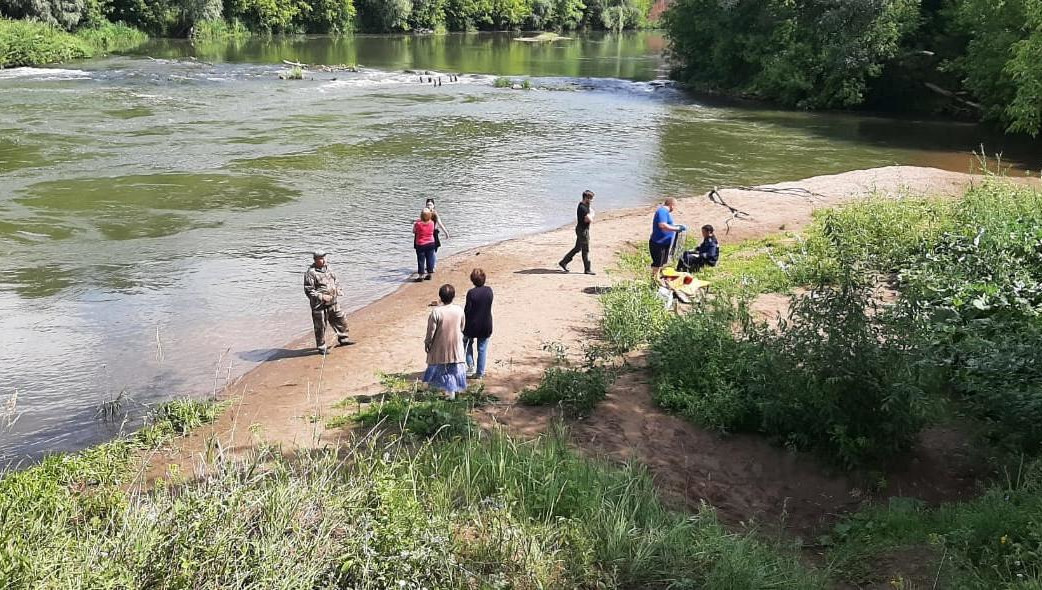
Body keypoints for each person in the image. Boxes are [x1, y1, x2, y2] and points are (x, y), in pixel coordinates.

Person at [303, 250, 355, 355]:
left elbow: (336, 281)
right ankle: (321, 346)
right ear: (316, 260)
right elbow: (309, 291)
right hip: (319, 305)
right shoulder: (311, 273)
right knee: (320, 326)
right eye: (321, 258)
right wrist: (322, 296)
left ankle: (343, 339)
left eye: (324, 257)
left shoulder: (329, 269)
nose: (323, 260)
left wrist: (338, 289)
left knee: (341, 319)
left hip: (333, 301)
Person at [424, 283, 467, 400]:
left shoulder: (436, 312)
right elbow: (462, 327)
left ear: (440, 297)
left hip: (440, 345)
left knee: (437, 367)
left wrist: (427, 343)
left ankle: (434, 389)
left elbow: (430, 331)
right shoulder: (459, 310)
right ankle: (451, 392)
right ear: (453, 296)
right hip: (455, 344)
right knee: (453, 368)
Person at [463, 268, 493, 378]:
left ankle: (470, 365)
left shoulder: (471, 293)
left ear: (472, 280)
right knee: (482, 349)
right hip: (486, 324)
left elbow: (467, 310)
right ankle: (480, 372)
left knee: (466, 343)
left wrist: (463, 324)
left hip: (472, 325)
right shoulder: (489, 290)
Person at [558, 189, 596, 275]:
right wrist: (592, 214)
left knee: (577, 248)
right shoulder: (582, 207)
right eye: (590, 198)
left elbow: (589, 211)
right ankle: (587, 269)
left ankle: (564, 262)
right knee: (585, 250)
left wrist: (591, 212)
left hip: (581, 229)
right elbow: (588, 219)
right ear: (586, 198)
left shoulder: (584, 205)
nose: (592, 200)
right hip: (582, 231)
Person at [650, 197, 686, 281]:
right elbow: (662, 225)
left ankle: (657, 278)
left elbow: (668, 224)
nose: (674, 208)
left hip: (664, 242)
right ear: (671, 205)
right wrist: (676, 229)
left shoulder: (666, 213)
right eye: (675, 206)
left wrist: (676, 226)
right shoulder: (662, 211)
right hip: (658, 242)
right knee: (657, 263)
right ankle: (655, 280)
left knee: (661, 262)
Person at [414, 209, 437, 282]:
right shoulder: (432, 223)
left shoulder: (418, 224)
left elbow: (414, 231)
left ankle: (421, 276)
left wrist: (415, 223)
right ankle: (429, 274)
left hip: (421, 244)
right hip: (431, 243)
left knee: (421, 260)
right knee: (429, 259)